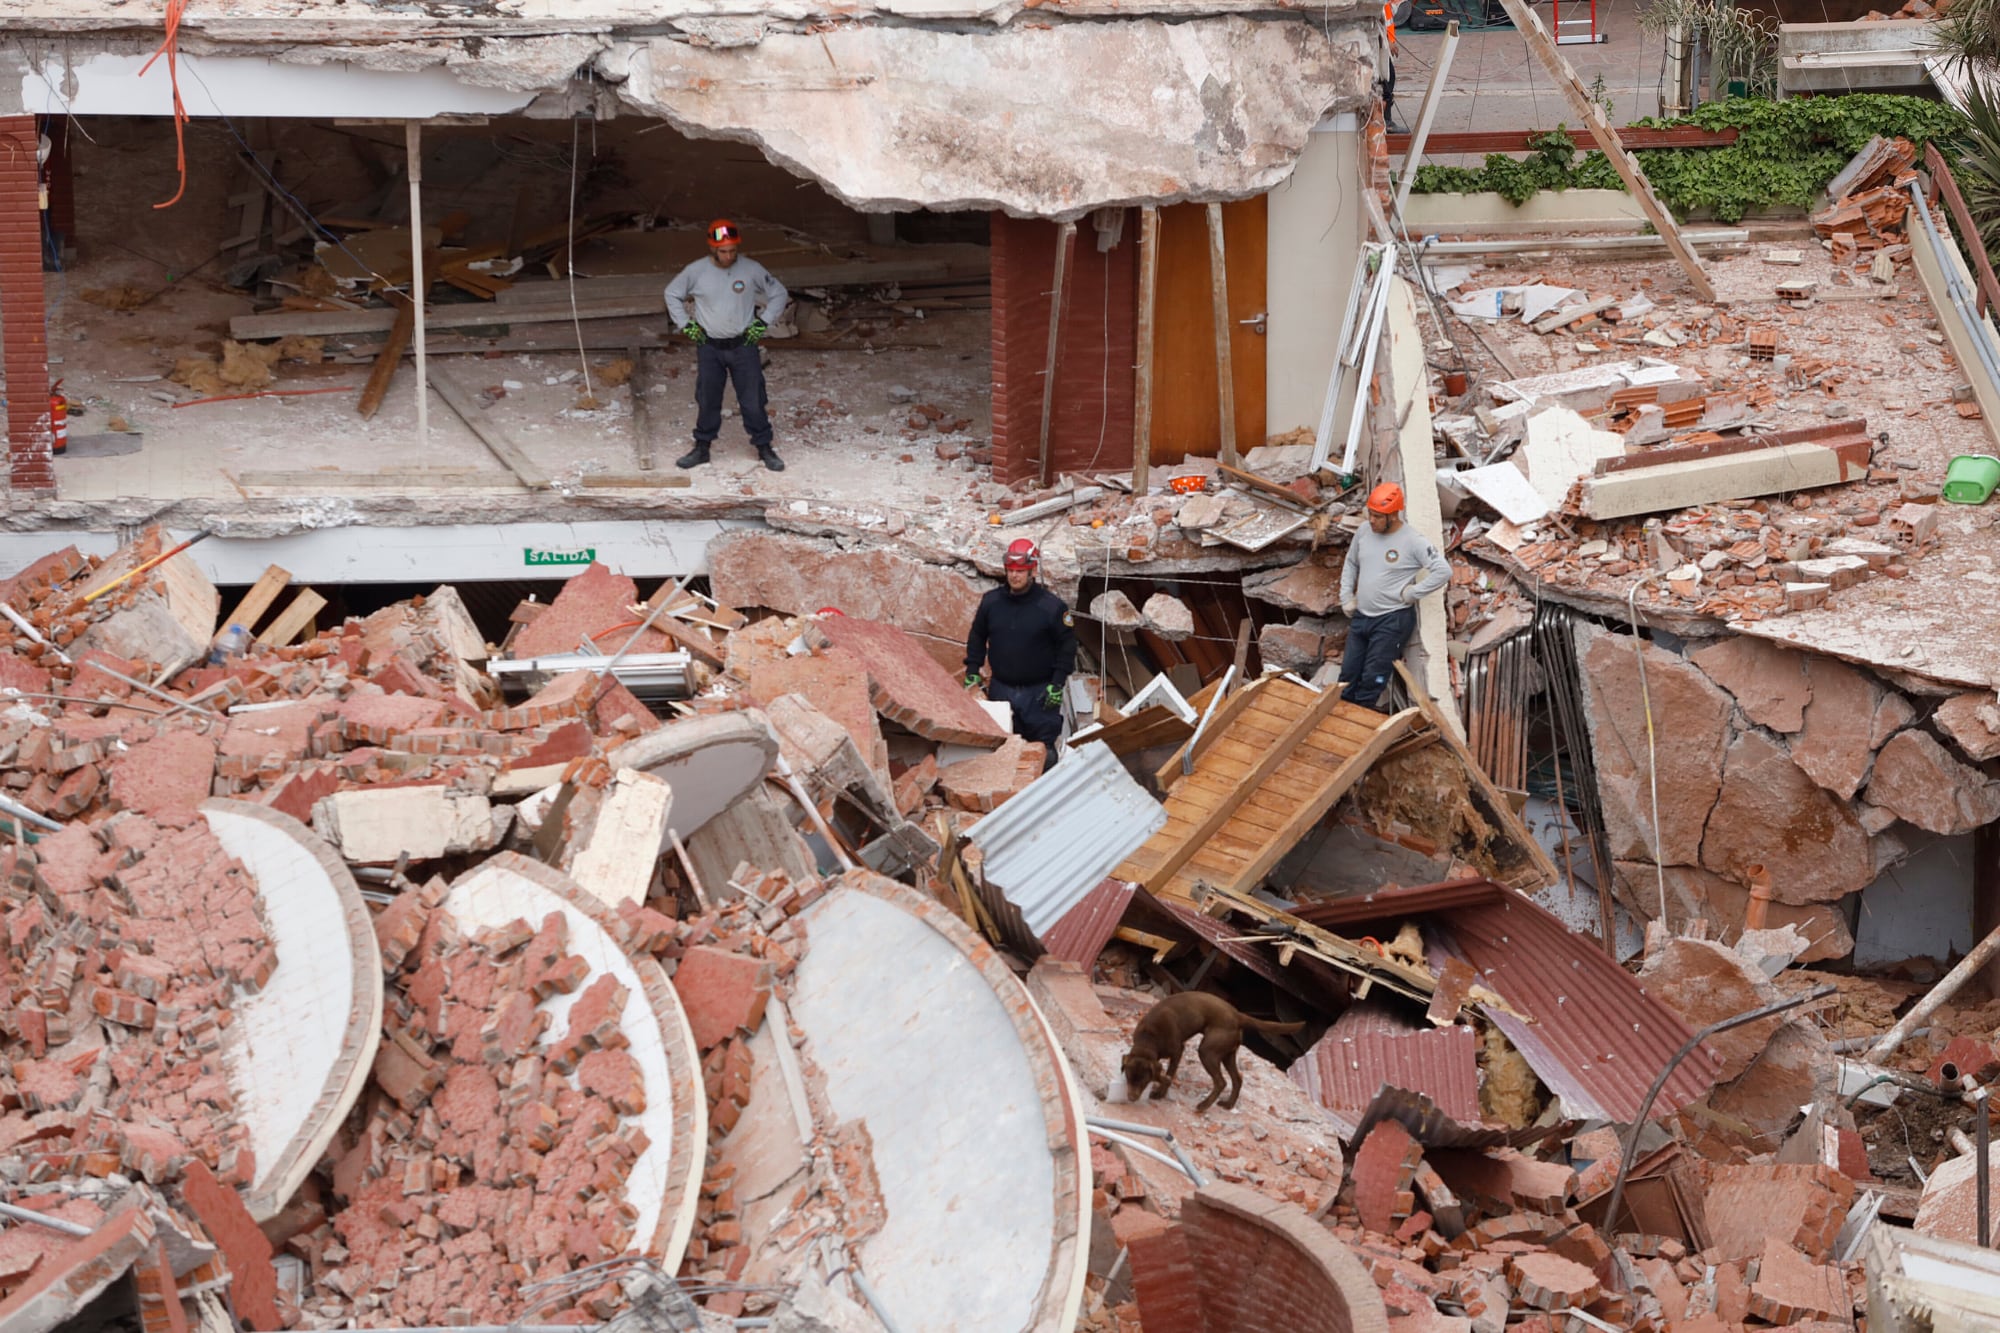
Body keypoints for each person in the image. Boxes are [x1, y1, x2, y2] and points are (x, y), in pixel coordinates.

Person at [664, 218, 790, 472]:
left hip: (743, 345)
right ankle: (702, 447)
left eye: (733, 250)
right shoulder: (695, 271)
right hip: (709, 346)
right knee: (708, 397)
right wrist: (686, 325)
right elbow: (671, 293)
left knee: (753, 398)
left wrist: (762, 322)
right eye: (723, 251)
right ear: (712, 248)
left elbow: (779, 293)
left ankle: (764, 446)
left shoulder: (751, 269)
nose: (729, 256)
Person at [963, 539, 1077, 766]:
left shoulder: (1052, 607)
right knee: (1002, 751)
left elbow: (1067, 646)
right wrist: (973, 669)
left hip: (1040, 694)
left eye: (1021, 571)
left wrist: (1057, 683)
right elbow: (977, 636)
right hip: (1001, 689)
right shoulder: (991, 603)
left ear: (1033, 570)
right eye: (1011, 570)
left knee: (1043, 753)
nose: (1015, 576)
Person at [1338, 481, 1449, 711]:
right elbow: (1351, 562)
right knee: (1347, 674)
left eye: (1378, 516)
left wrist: (1413, 594)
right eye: (1370, 514)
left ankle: (1360, 723)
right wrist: (1346, 596)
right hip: (1362, 616)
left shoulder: (1412, 541)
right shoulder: (1363, 531)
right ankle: (1341, 716)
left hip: (1391, 620)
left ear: (1394, 515)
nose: (1372, 520)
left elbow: (1443, 571)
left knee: (1373, 678)